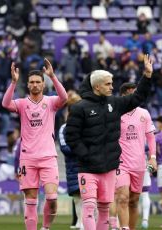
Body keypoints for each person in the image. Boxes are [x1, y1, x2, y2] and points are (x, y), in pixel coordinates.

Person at [65, 55, 154, 230]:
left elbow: (137, 98)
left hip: (109, 168)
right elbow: (71, 137)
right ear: (97, 86)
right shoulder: (79, 108)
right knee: (89, 207)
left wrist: (147, 76)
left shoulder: (115, 103)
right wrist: (87, 155)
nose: (112, 87)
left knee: (104, 209)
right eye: (108, 84)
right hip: (88, 168)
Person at [2, 58, 68, 230]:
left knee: (52, 198)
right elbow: (5, 104)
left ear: (43, 84)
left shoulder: (51, 102)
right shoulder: (23, 103)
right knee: (31, 200)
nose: (35, 85)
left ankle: (45, 227)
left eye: (38, 82)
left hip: (48, 157)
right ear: (28, 85)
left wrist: (53, 76)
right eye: (31, 82)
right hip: (28, 158)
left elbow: (65, 98)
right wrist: (13, 82)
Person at [109, 82, 157, 230]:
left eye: (135, 93)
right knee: (123, 198)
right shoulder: (115, 113)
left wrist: (153, 157)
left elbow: (150, 137)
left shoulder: (144, 113)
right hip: (120, 163)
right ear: (123, 95)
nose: (134, 96)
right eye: (130, 93)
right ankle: (123, 227)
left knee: (134, 200)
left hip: (139, 163)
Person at [58, 91, 83, 230]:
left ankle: (88, 223)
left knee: (89, 198)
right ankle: (79, 222)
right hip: (73, 168)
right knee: (77, 198)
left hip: (87, 166)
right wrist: (80, 150)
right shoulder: (63, 128)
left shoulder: (86, 126)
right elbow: (64, 148)